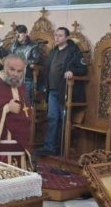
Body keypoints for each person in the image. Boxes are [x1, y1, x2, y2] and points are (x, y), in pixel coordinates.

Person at [36, 27, 87, 156]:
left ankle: (61, 149)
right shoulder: (53, 51)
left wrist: (72, 71)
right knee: (52, 118)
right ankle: (49, 147)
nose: (57, 37)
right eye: (56, 35)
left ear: (67, 37)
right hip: (52, 91)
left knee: (63, 120)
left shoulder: (74, 52)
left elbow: (83, 69)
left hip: (65, 91)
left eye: (60, 35)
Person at [3, 25, 44, 105]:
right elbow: (10, 57)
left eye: (19, 33)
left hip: (27, 78)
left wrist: (22, 62)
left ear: (26, 33)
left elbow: (36, 60)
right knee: (12, 101)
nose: (17, 36)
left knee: (26, 103)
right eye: (16, 33)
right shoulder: (14, 46)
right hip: (13, 77)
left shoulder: (33, 46)